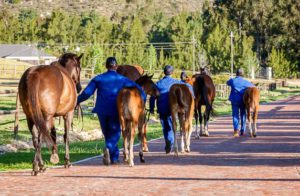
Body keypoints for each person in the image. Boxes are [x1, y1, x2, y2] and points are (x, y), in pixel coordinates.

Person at [77, 57, 146, 165]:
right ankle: (109, 149)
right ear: (116, 66)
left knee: (107, 133)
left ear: (106, 66)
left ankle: (113, 157)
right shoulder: (122, 79)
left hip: (101, 110)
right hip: (116, 110)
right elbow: (139, 88)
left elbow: (86, 93)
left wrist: (76, 101)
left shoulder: (98, 78)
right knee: (116, 132)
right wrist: (143, 100)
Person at [149, 65, 183, 154]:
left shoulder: (158, 83)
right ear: (172, 72)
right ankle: (170, 141)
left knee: (165, 126)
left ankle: (167, 140)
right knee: (172, 125)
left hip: (162, 107)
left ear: (164, 72)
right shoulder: (177, 83)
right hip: (173, 109)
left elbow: (153, 96)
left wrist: (152, 108)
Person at [227, 68, 254, 137]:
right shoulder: (245, 81)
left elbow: (227, 82)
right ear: (243, 74)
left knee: (235, 115)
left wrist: (233, 78)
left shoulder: (233, 81)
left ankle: (236, 131)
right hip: (243, 100)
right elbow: (253, 86)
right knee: (243, 115)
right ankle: (243, 131)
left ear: (236, 73)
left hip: (234, 100)